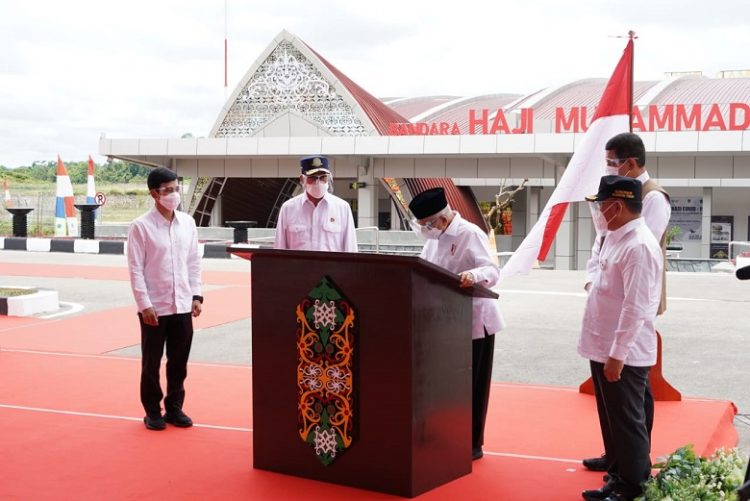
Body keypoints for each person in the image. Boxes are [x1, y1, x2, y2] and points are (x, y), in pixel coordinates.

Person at [582, 132, 671, 473]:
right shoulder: (615, 210)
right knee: (616, 400)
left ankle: (633, 464)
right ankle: (618, 457)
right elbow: (603, 242)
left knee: (632, 393)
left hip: (633, 302)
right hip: (609, 302)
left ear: (630, 162)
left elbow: (635, 249)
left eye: (612, 160)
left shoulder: (652, 200)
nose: (609, 166)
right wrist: (594, 279)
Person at [408, 187, 505, 461]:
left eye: (427, 224)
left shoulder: (469, 233)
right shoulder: (434, 239)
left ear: (440, 219)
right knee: (447, 384)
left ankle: (473, 441)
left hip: (475, 320)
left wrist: (472, 275)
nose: (426, 230)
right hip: (445, 321)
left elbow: (492, 271)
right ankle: (447, 432)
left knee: (472, 385)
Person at [127, 167, 203, 431]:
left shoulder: (188, 223)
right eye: (167, 190)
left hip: (182, 303)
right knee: (151, 363)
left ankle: (174, 408)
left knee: (179, 361)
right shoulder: (141, 227)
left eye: (175, 188)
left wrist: (196, 295)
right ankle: (152, 411)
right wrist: (144, 304)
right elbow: (136, 269)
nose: (173, 194)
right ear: (154, 194)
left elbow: (193, 262)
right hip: (154, 308)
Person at [274, 156, 357, 252]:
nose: (318, 182)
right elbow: (279, 248)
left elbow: (351, 249)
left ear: (329, 177)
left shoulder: (342, 208)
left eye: (323, 177)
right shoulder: (288, 208)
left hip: (331, 267)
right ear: (302, 179)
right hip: (298, 267)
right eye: (313, 178)